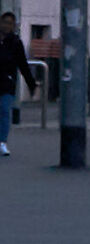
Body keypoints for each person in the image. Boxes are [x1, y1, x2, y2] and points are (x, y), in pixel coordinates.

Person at [0, 11, 38, 154]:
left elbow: (23, 64)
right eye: (5, 22)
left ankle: (2, 142)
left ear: (13, 26)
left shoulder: (15, 43)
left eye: (10, 23)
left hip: (7, 83)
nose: (6, 26)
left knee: (4, 110)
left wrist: (31, 84)